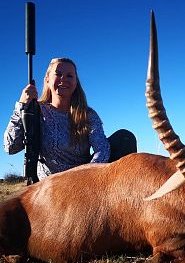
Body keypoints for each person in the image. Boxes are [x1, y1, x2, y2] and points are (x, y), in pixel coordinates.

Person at [3, 57, 137, 180]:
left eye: (69, 76)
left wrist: (85, 177)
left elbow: (102, 148)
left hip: (83, 181)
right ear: (47, 79)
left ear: (75, 82)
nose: (63, 79)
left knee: (125, 137)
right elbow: (10, 147)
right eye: (58, 74)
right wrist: (21, 106)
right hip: (49, 187)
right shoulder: (36, 111)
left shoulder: (87, 114)